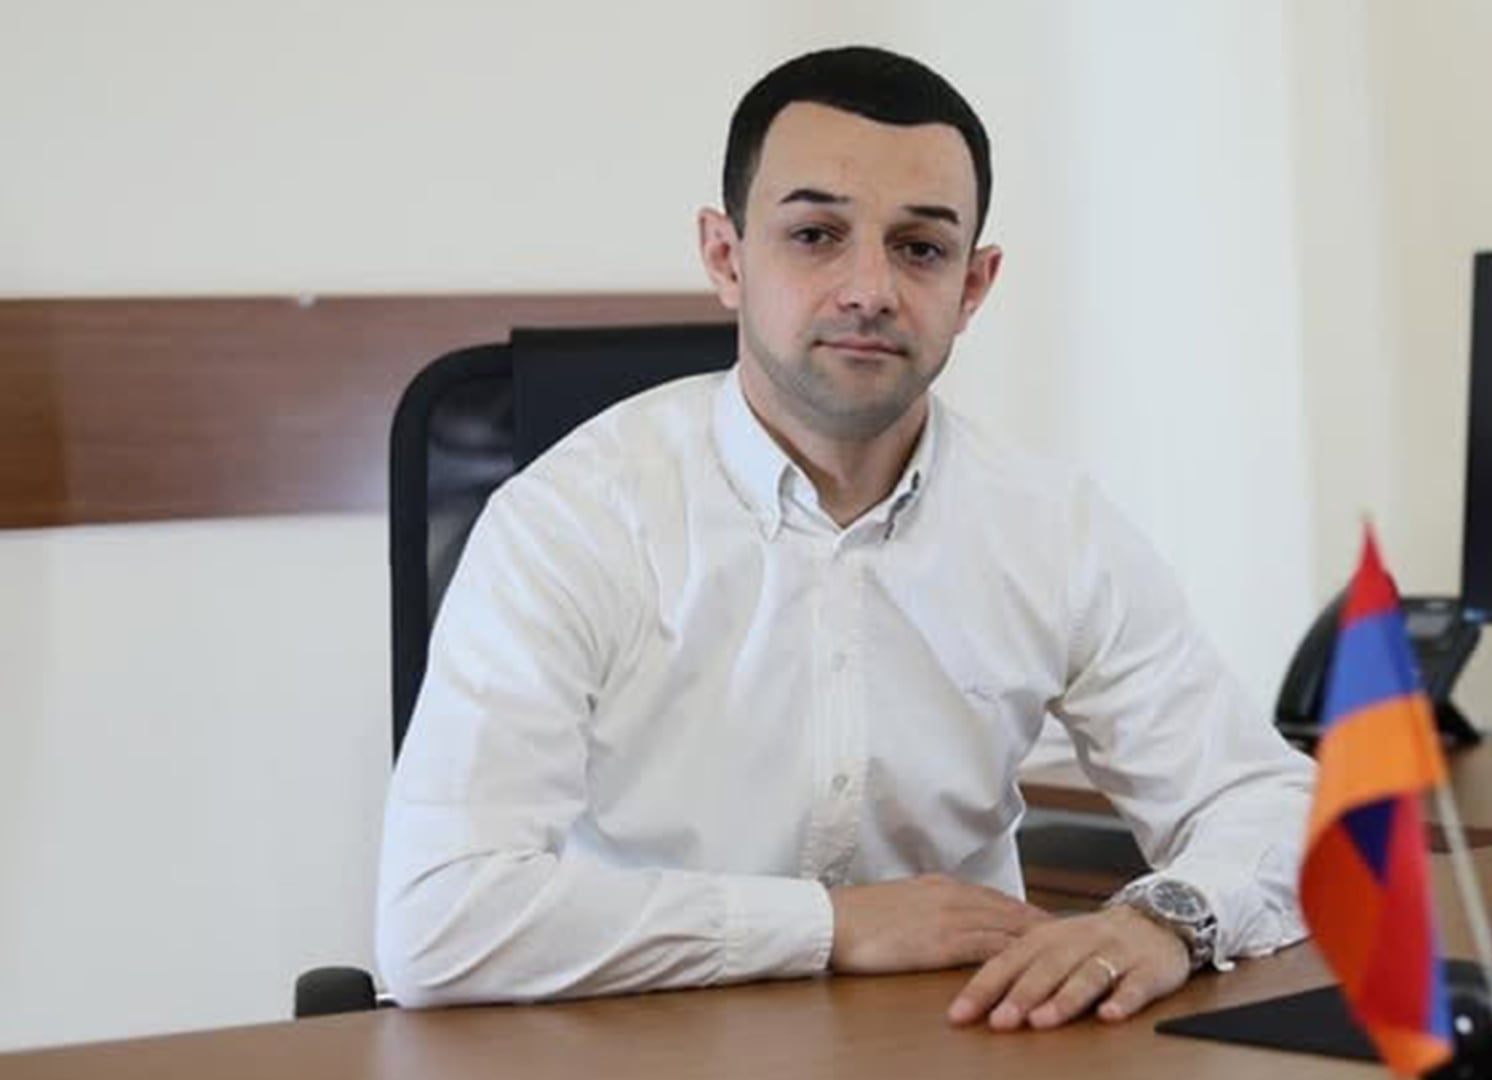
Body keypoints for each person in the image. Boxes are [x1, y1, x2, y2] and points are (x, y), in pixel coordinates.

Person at [376, 44, 1314, 1032]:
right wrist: (829, 926)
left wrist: (1170, 919)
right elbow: (440, 918)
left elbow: (1276, 808)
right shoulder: (571, 520)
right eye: (817, 235)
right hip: (638, 1042)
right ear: (726, 258)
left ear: (975, 285)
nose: (870, 288)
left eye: (920, 248)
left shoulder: (1053, 529)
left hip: (962, 1041)